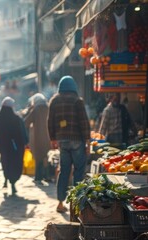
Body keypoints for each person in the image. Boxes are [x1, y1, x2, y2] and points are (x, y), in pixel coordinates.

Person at [47, 76, 90, 213]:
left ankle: (60, 203)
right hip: (77, 140)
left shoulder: (54, 101)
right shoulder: (78, 101)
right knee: (78, 171)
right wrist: (87, 141)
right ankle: (75, 204)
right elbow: (84, 122)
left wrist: (53, 138)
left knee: (64, 171)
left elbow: (50, 121)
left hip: (62, 142)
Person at [0, 97, 28, 196]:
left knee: (5, 162)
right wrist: (26, 142)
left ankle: (7, 178)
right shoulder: (16, 118)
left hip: (3, 145)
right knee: (15, 164)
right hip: (16, 146)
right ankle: (12, 182)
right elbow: (23, 131)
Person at [24, 93, 51, 184]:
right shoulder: (48, 107)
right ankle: (47, 175)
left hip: (37, 137)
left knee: (38, 157)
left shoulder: (36, 109)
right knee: (47, 156)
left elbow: (26, 122)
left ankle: (38, 176)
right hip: (49, 137)